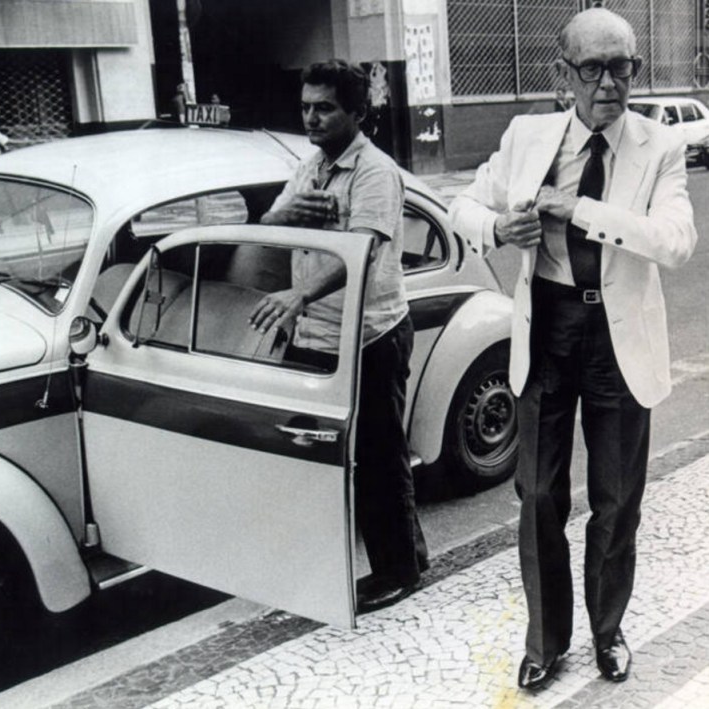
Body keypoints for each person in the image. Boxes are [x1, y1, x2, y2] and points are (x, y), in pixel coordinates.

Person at [449, 7, 697, 690]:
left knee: (617, 499)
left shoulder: (658, 146)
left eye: (624, 67)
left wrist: (578, 210)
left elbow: (675, 242)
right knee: (538, 496)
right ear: (564, 75)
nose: (611, 83)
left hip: (618, 341)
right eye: (594, 68)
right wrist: (501, 225)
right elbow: (460, 208)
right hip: (547, 329)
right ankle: (545, 640)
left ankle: (608, 629)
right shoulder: (527, 136)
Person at [249, 59, 428, 614]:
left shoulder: (375, 172)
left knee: (379, 457)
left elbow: (365, 252)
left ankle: (400, 569)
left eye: (324, 107)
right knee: (314, 456)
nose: (312, 118)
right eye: (305, 107)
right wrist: (283, 215)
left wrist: (298, 295)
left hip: (370, 337)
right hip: (315, 338)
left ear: (356, 111)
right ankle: (330, 562)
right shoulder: (309, 168)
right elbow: (265, 233)